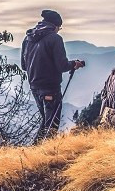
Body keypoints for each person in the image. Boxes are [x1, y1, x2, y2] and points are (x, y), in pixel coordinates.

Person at [21, 9, 85, 142]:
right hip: (50, 87)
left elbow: (23, 66)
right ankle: (46, 155)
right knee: (52, 124)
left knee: (46, 121)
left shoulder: (27, 38)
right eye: (59, 28)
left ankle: (35, 152)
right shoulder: (55, 39)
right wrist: (74, 64)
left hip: (34, 86)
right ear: (55, 26)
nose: (58, 30)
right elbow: (61, 65)